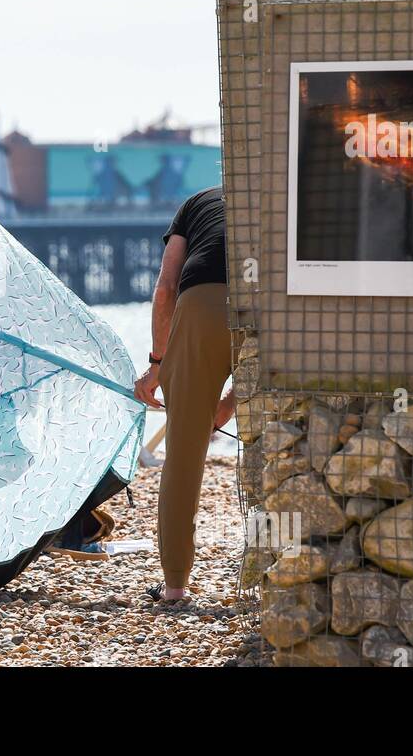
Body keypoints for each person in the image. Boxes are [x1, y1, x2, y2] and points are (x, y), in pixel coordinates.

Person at [133, 184, 234, 603]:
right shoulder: (279, 193)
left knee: (184, 456)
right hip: (272, 303)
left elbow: (165, 288)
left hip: (201, 307)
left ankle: (175, 586)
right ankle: (284, 575)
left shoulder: (198, 202)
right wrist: (230, 403)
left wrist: (158, 364)